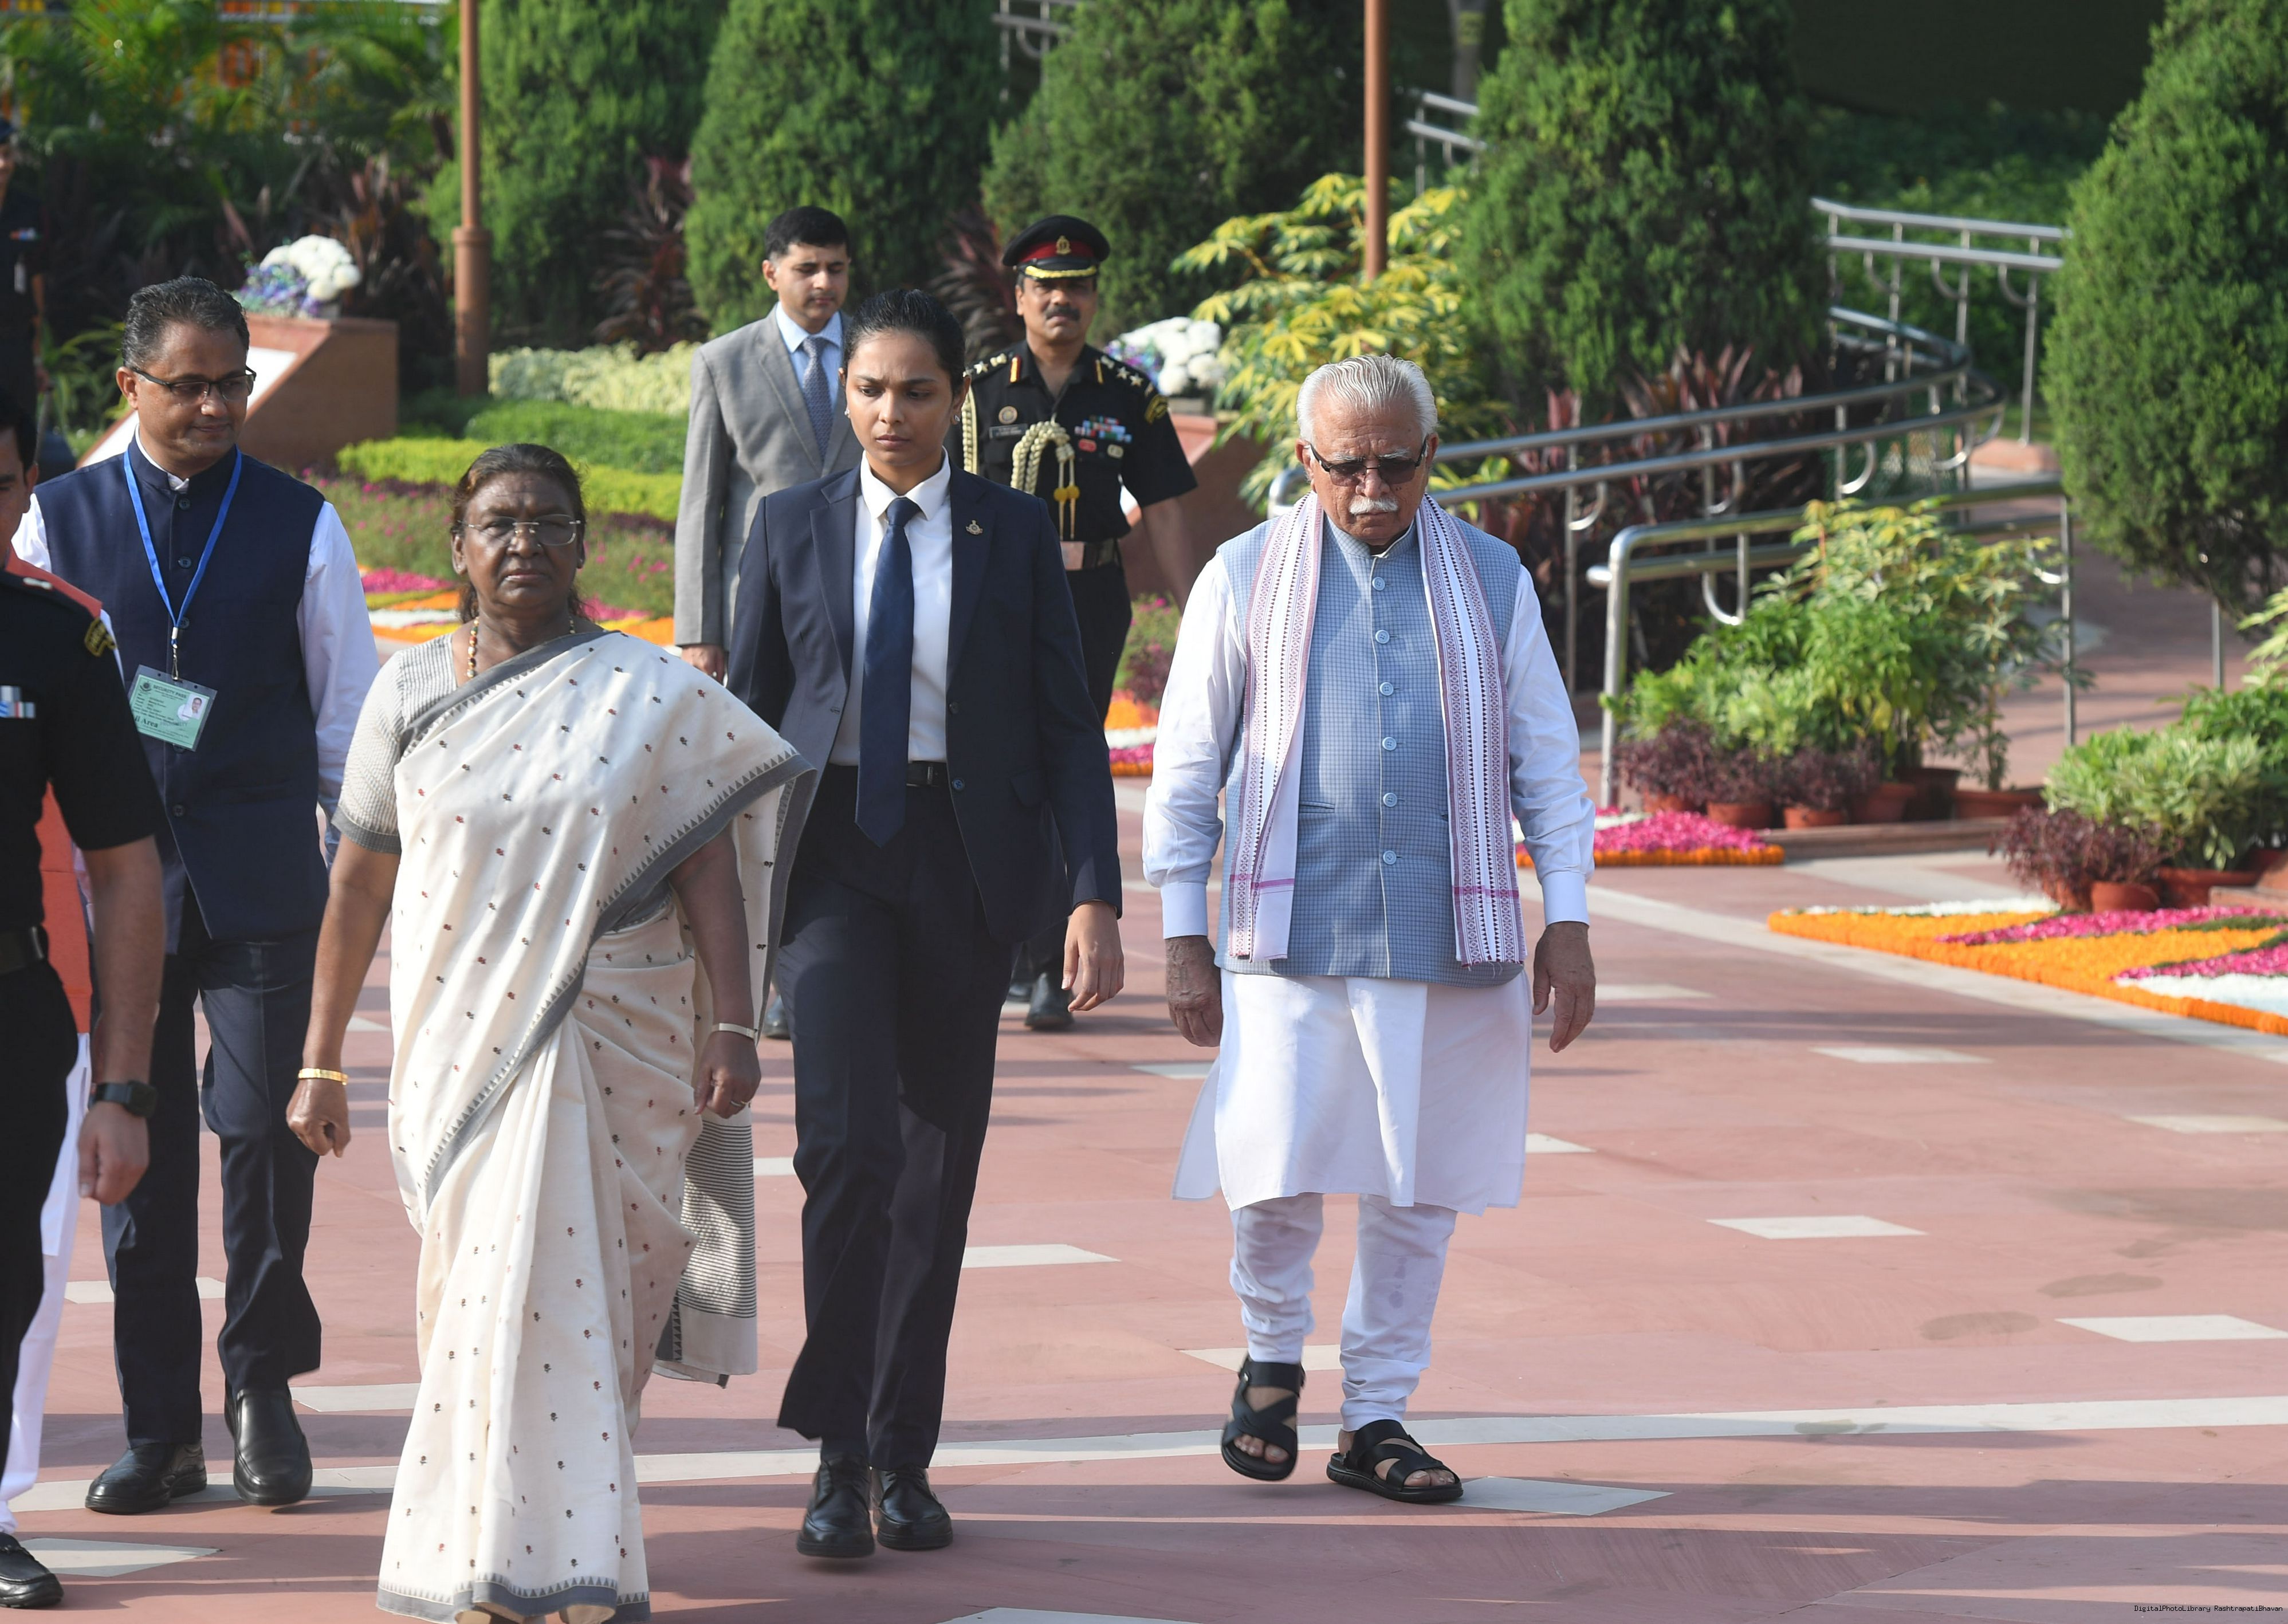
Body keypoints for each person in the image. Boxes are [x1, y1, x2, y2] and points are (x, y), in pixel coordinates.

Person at [288, 443, 804, 1623]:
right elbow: (359, 885)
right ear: (457, 548)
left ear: (581, 545)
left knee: (589, 1302)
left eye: (547, 522)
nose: (523, 542)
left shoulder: (647, 689)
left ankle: (572, 1563)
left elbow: (706, 865)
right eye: (498, 523)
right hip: (463, 1047)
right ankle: (474, 1558)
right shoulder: (408, 691)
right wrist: (321, 1058)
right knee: (482, 1300)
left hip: (621, 1029)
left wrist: (734, 1022)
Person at [1143, 354, 1597, 1504]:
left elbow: (1546, 763)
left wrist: (1569, 920)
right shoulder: (1242, 574)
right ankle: (1269, 1356)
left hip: (1453, 929)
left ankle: (1377, 1415)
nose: (1371, 490)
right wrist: (1182, 936)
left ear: (1429, 455)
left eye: (1396, 464)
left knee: (1419, 1184)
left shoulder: (1491, 578)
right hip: (1289, 925)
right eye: (1345, 466)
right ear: (1305, 460)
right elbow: (1186, 766)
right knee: (1273, 1161)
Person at [728, 289, 1123, 1560]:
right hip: (832, 866)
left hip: (964, 869)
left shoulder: (1013, 531)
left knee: (933, 1179)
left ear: (956, 399)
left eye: (915, 392)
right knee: (846, 1156)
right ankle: (835, 1455)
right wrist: (713, 907)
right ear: (842, 396)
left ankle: (901, 1456)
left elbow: (1066, 726)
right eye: (869, 390)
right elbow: (746, 718)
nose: (889, 414)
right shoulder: (788, 525)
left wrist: (1092, 892)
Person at [11, 276, 378, 1514]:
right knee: (138, 1152)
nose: (216, 405)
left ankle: (263, 1389)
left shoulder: (299, 522)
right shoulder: (58, 517)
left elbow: (346, 720)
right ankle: (159, 1426)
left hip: (264, 879)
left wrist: (361, 870)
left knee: (268, 1139)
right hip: (114, 893)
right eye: (190, 385)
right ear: (132, 386)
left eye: (234, 384)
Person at [956, 215, 1196, 1031]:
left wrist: (1197, 614)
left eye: (1078, 288)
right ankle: (1003, 946)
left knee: (1066, 763)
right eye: (1047, 288)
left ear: (1094, 298)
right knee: (994, 764)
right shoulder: (977, 391)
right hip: (992, 602)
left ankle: (1048, 966)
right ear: (1019, 296)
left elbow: (1165, 508)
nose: (1063, 301)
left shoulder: (1127, 394)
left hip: (1087, 597)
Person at [0, 539, 164, 1606]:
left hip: (19, 1001)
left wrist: (122, 1086)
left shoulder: (54, 633)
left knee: (12, 1282)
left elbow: (123, 861)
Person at [675, 205, 863, 1041]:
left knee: (839, 784)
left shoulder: (875, 354)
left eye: (836, 268)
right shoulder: (724, 362)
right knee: (760, 791)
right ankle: (766, 967)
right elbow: (703, 503)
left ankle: (827, 954)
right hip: (762, 612)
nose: (823, 283)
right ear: (771, 273)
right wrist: (699, 627)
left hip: (862, 604)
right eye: (807, 268)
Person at [0, 121, 46, 434]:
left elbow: (36, 279)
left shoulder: (27, 209)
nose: (3, 164)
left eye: (6, 154)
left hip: (16, 341)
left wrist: (38, 356)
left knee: (21, 432)